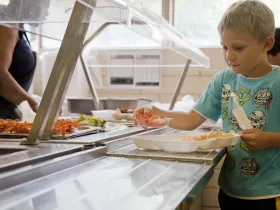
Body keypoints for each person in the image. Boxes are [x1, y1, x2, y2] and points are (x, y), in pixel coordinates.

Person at [134, 1, 280, 209]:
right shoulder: (224, 80)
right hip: (230, 191)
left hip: (269, 194)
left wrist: (268, 139)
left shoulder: (277, 81)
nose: (229, 55)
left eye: (238, 48)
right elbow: (191, 120)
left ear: (267, 43)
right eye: (224, 47)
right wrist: (156, 112)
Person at [0, 0, 49, 119]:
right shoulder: (8, 24)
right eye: (45, 5)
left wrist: (32, 98)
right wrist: (33, 104)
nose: (46, 12)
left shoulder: (16, 24)